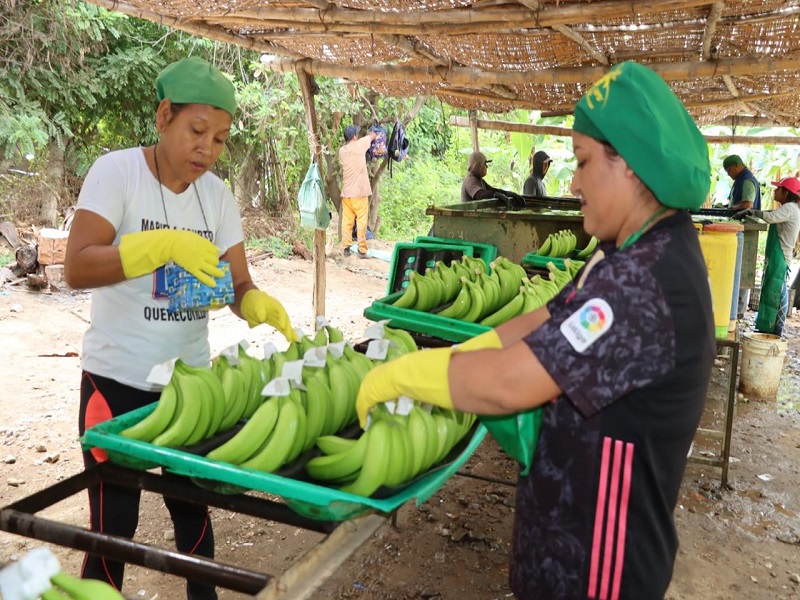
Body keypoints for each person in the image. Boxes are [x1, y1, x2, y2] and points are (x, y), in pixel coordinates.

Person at [357, 61, 714, 599]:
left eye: (584, 162)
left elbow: (511, 383)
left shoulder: (644, 282)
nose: (572, 182)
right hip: (571, 540)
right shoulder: (635, 250)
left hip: (600, 568)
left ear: (631, 167)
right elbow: (548, 318)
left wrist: (407, 374)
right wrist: (471, 349)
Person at [63, 57, 297, 600]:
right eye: (197, 131)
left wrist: (254, 301)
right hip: (114, 383)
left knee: (194, 520)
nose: (207, 150)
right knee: (111, 526)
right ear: (164, 115)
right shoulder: (116, 172)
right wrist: (157, 246)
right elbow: (77, 265)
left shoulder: (215, 197)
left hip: (189, 387)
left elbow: (238, 284)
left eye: (219, 139)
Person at [735, 177, 800, 336]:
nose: (775, 191)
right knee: (776, 288)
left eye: (778, 189)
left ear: (786, 193)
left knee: (778, 289)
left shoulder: (790, 208)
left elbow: (770, 217)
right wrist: (752, 212)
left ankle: (777, 327)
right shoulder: (789, 208)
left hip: (781, 256)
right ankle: (770, 326)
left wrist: (752, 211)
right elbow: (772, 213)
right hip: (779, 255)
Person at [339, 124, 376, 259]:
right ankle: (362, 250)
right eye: (357, 133)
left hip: (347, 194)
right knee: (361, 221)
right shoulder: (359, 145)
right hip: (359, 193)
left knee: (347, 221)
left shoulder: (342, 151)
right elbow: (372, 136)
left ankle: (346, 248)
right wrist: (375, 130)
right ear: (354, 136)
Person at [460, 150, 525, 209]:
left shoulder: (479, 180)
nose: (487, 167)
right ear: (478, 165)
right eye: (485, 164)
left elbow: (492, 190)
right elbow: (480, 194)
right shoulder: (470, 180)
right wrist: (496, 195)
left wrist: (510, 194)